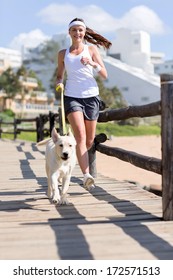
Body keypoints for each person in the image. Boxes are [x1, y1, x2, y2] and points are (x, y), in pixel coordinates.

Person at [56, 18, 112, 190]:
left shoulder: (91, 49)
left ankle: (71, 160)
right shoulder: (63, 53)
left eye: (81, 30)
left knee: (88, 141)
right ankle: (86, 175)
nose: (78, 33)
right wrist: (60, 83)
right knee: (79, 136)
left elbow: (104, 75)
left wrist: (92, 63)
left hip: (91, 96)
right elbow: (59, 75)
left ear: (84, 32)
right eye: (74, 30)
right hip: (72, 96)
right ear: (69, 32)